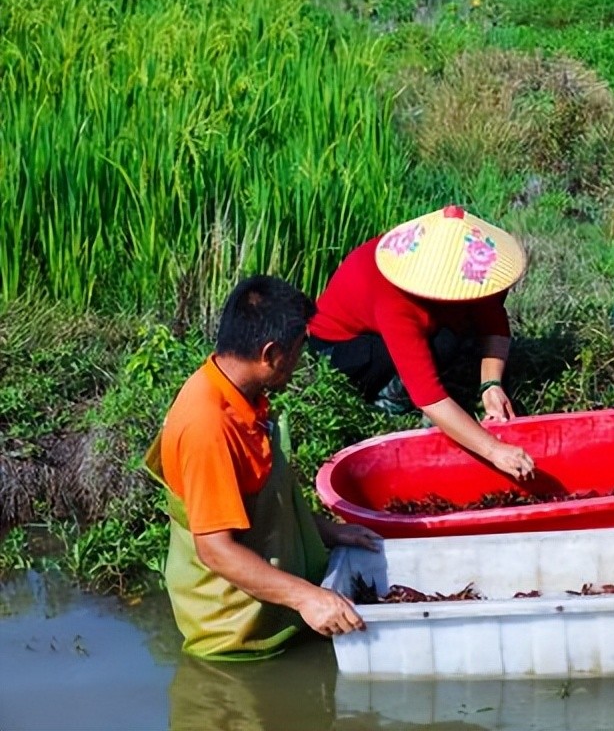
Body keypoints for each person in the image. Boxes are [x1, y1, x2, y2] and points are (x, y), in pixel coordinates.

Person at [144, 275, 383, 660]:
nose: (302, 360)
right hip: (239, 640)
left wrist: (328, 532)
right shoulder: (209, 426)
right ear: (271, 354)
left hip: (278, 615)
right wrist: (308, 598)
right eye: (299, 348)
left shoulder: (242, 394)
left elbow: (263, 505)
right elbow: (216, 551)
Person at [307, 205, 535, 481]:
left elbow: (493, 321)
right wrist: (494, 449)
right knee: (442, 347)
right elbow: (430, 397)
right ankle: (388, 401)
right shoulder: (394, 299)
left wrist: (491, 384)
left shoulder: (468, 266)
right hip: (345, 347)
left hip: (388, 327)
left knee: (452, 338)